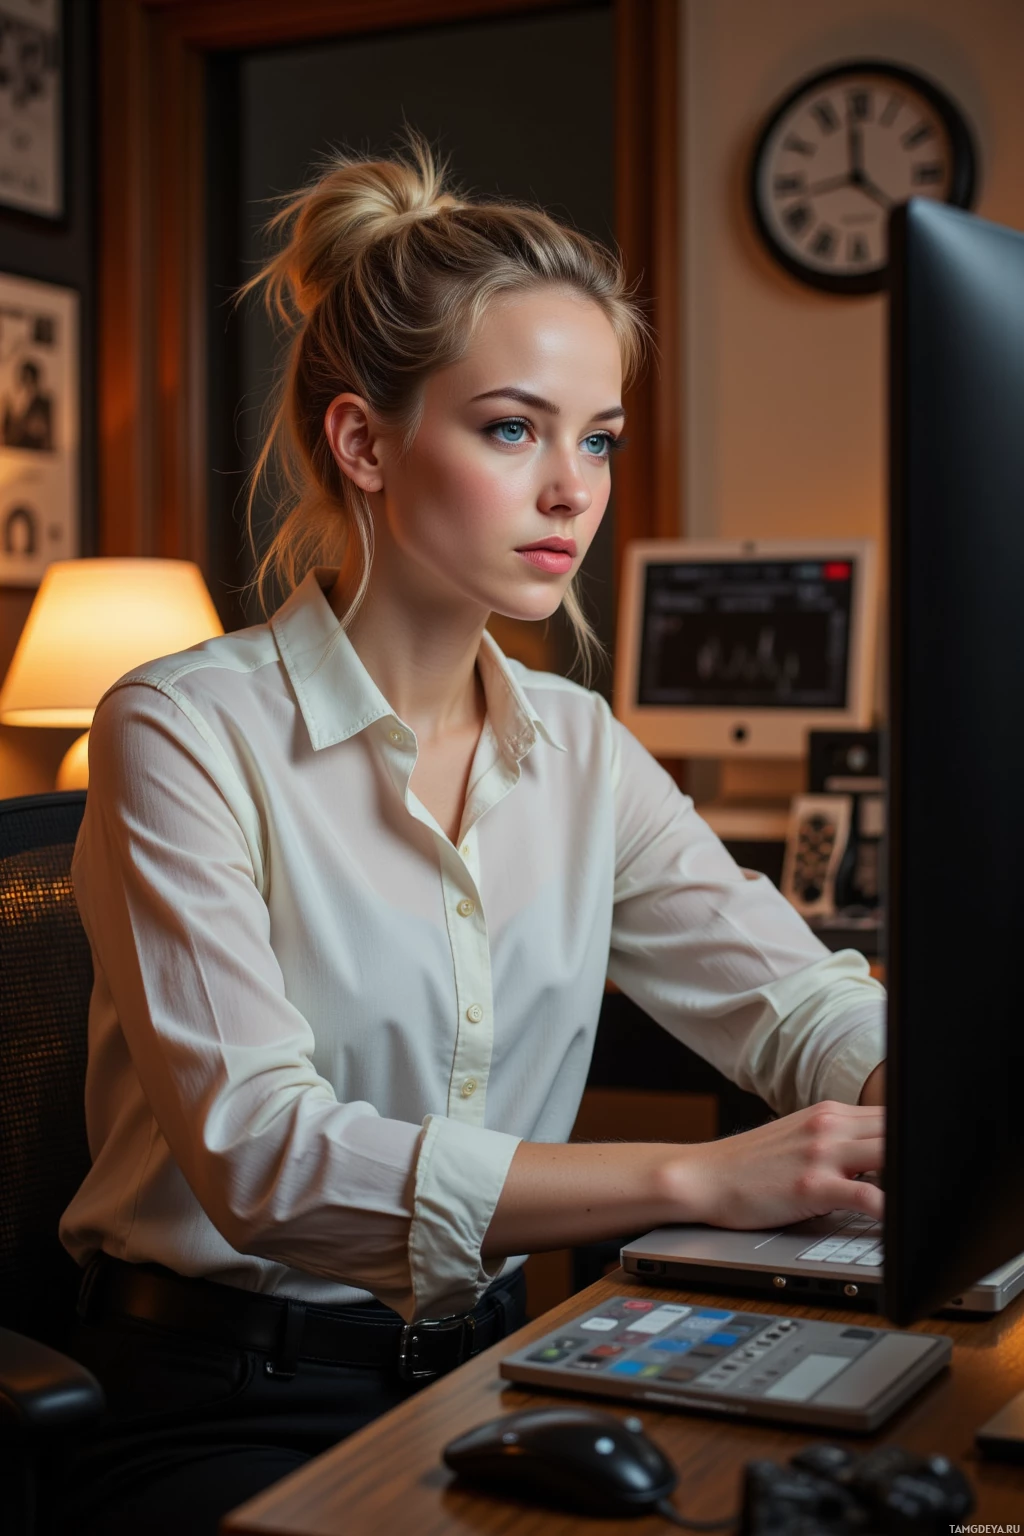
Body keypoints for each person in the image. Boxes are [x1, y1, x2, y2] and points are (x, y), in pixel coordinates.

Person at [57, 128, 885, 1536]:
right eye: (514, 428)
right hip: (220, 1395)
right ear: (363, 442)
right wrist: (700, 1177)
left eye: (599, 439)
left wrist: (910, 1091)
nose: (574, 490)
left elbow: (794, 1000)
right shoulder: (182, 731)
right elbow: (262, 1153)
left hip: (502, 1370)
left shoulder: (575, 744)